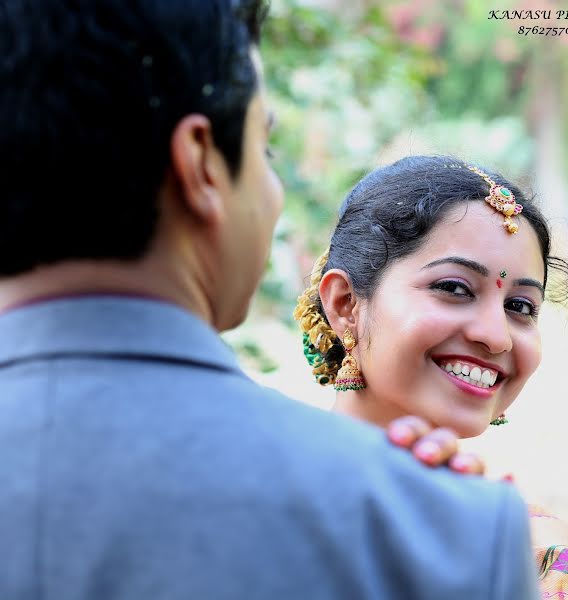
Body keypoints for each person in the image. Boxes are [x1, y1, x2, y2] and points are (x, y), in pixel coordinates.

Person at [0, 2, 540, 599]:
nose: (493, 333)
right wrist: (424, 515)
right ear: (203, 164)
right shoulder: (432, 534)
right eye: (266, 150)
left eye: (522, 305)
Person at [295, 155, 568, 599]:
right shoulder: (247, 507)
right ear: (347, 304)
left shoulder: (537, 557)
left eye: (520, 307)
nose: (496, 336)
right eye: (454, 288)